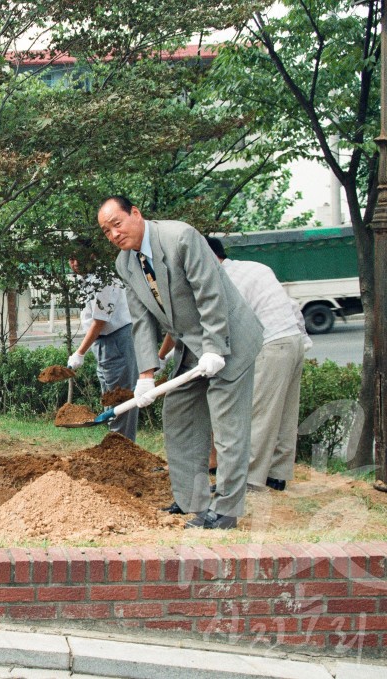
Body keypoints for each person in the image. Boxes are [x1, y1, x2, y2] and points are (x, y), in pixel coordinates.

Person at [97, 196, 262, 530]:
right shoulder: (125, 264)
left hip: (229, 340)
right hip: (191, 346)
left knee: (228, 425)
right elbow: (142, 319)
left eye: (117, 223)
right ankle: (193, 502)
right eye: (106, 231)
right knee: (179, 414)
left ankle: (227, 511)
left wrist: (215, 347)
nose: (113, 234)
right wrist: (146, 375)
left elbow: (210, 293)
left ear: (136, 215)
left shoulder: (181, 237)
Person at [206, 237, 311, 492]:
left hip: (271, 344)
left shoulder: (224, 281)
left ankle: (247, 481)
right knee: (284, 412)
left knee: (258, 414)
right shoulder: (255, 267)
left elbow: (226, 328)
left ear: (210, 258)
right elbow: (293, 306)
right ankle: (277, 474)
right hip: (292, 339)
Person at [67, 244, 139, 441]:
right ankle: (116, 446)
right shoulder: (86, 279)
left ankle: (124, 448)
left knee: (120, 396)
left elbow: (100, 321)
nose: (73, 264)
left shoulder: (104, 279)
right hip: (103, 343)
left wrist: (80, 352)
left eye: (77, 258)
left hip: (116, 340)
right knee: (109, 397)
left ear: (91, 254)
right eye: (70, 259)